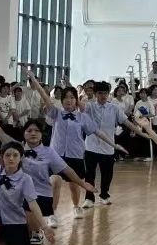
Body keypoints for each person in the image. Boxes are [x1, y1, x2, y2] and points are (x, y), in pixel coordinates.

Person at [0, 101, 93, 240]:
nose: (33, 133)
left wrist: (82, 183)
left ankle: (41, 225)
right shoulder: (16, 148)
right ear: (24, 133)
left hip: (39, 197)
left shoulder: (49, 152)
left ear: (41, 134)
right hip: (19, 194)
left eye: (37, 131)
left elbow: (66, 169)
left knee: (52, 182)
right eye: (29, 131)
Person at [28, 71, 122, 220]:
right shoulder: (56, 113)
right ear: (62, 100)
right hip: (56, 155)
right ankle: (51, 214)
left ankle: (76, 206)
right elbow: (44, 97)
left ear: (76, 100)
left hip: (75, 155)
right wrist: (33, 79)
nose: (69, 100)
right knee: (55, 181)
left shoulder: (83, 117)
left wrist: (114, 145)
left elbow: (98, 132)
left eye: (72, 97)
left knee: (74, 185)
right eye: (66, 97)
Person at [81, 81, 136, 207]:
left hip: (108, 147)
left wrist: (139, 131)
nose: (103, 96)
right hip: (91, 146)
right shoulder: (90, 107)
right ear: (95, 94)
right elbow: (80, 108)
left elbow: (126, 121)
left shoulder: (114, 108)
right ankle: (89, 198)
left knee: (107, 174)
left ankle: (104, 195)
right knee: (89, 174)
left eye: (105, 93)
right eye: (100, 93)